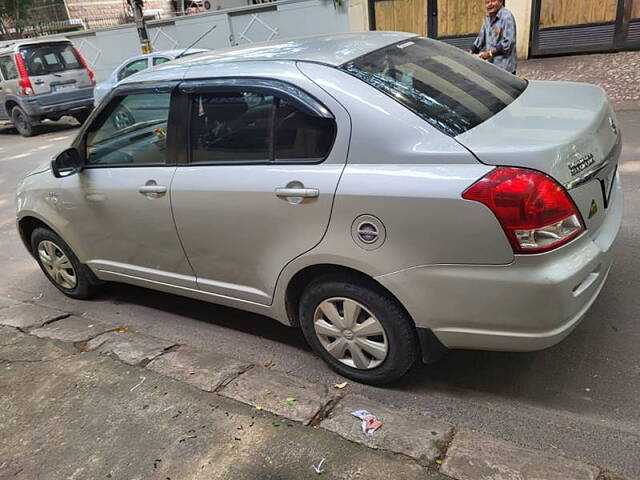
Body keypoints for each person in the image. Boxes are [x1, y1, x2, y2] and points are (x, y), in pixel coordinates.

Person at [470, 0, 517, 74]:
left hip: (505, 69)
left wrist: (489, 54)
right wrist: (471, 51)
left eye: (493, 1)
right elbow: (481, 38)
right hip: (492, 66)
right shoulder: (488, 17)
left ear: (500, 2)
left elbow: (508, 43)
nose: (489, 4)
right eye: (487, 2)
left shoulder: (507, 17)